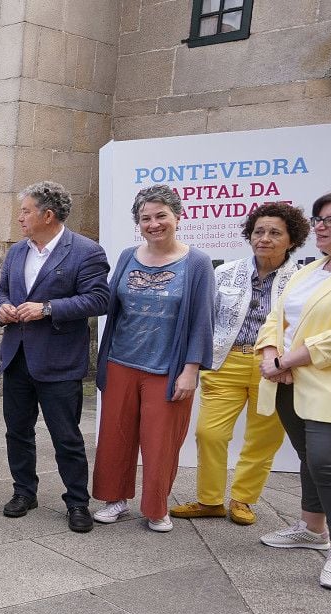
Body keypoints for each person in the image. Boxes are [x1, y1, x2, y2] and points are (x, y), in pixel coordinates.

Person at [255, 191, 331, 591]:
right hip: (289, 382)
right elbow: (276, 316)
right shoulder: (310, 270)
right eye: (318, 219)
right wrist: (271, 354)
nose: (319, 226)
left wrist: (286, 362)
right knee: (309, 456)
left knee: (328, 462)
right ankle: (311, 528)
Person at [170, 203, 308, 526]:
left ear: (292, 239)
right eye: (259, 231)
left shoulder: (302, 280)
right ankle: (209, 500)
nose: (265, 238)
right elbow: (206, 319)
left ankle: (243, 499)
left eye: (275, 233)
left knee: (263, 439)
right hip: (225, 361)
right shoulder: (225, 272)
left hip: (274, 367)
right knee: (209, 433)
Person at [92, 185, 215, 532]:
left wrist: (191, 370)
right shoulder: (128, 255)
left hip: (167, 367)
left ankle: (156, 507)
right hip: (120, 360)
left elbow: (202, 319)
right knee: (115, 436)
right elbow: (112, 306)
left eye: (161, 215)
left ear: (178, 216)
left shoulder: (198, 262)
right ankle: (114, 499)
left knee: (161, 442)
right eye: (145, 218)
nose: (154, 223)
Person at [0, 182, 109, 532]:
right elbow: (0, 291)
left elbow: (99, 300)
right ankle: (24, 491)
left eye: (26, 211)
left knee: (66, 436)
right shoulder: (17, 252)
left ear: (48, 214)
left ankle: (77, 502)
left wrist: (46, 309)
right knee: (17, 431)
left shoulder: (86, 251)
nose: (20, 217)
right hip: (17, 358)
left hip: (59, 363)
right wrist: (2, 308)